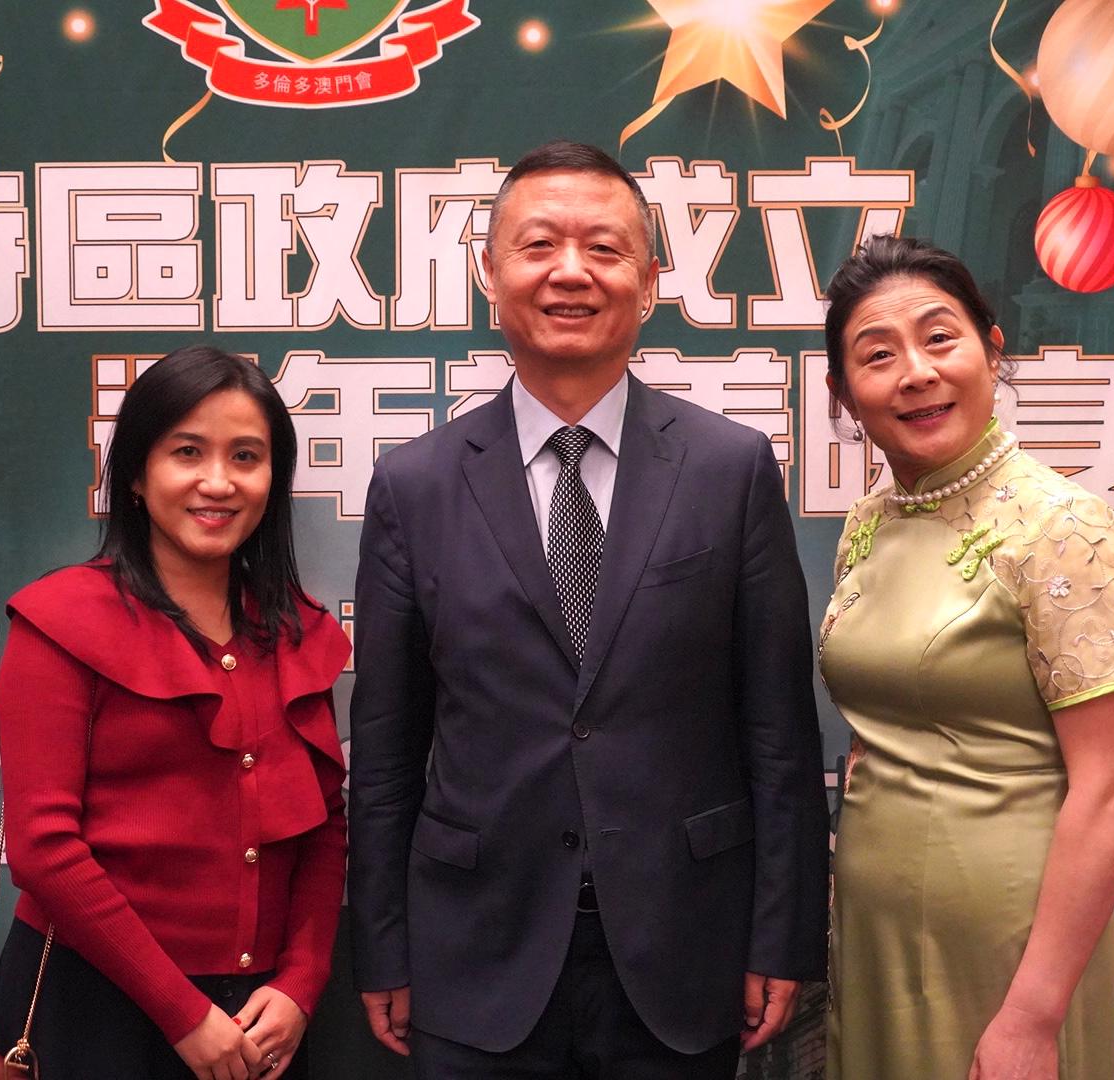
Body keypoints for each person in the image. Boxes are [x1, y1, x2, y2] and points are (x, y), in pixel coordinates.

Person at [348, 140, 830, 1078]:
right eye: (539, 246)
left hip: (684, 947)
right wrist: (386, 943)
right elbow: (389, 750)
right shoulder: (416, 485)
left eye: (604, 249)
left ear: (650, 282)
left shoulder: (729, 470)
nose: (571, 272)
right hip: (472, 953)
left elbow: (778, 732)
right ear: (492, 273)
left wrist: (783, 934)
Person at [819, 235, 1114, 1079]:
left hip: (1013, 949)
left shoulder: (1064, 530)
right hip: (878, 932)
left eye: (940, 338)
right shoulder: (869, 523)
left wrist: (1033, 1017)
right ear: (844, 394)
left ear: (991, 351)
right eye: (878, 355)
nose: (917, 373)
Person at [0, 346, 351, 1080]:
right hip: (95, 1005)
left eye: (245, 456)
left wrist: (302, 984)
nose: (217, 482)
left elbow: (323, 827)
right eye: (187, 452)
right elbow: (42, 848)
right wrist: (182, 1013)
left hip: (259, 1020)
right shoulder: (60, 620)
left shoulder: (298, 633)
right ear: (135, 472)